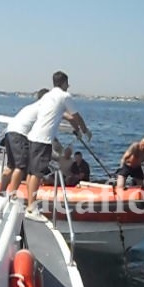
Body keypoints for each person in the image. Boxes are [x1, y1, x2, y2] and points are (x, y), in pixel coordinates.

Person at [25, 71, 92, 220]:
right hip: (43, 140)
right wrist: (85, 131)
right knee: (37, 174)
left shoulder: (48, 96)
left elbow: (67, 117)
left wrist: (76, 130)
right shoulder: (64, 96)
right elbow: (76, 116)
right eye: (67, 83)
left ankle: (29, 203)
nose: (68, 86)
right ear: (63, 83)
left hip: (32, 137)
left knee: (31, 173)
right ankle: (31, 207)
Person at [0, 88, 49, 195]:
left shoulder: (30, 107)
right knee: (20, 167)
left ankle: (2, 191)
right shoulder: (43, 108)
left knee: (11, 165)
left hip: (10, 132)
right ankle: (12, 195)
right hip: (19, 135)